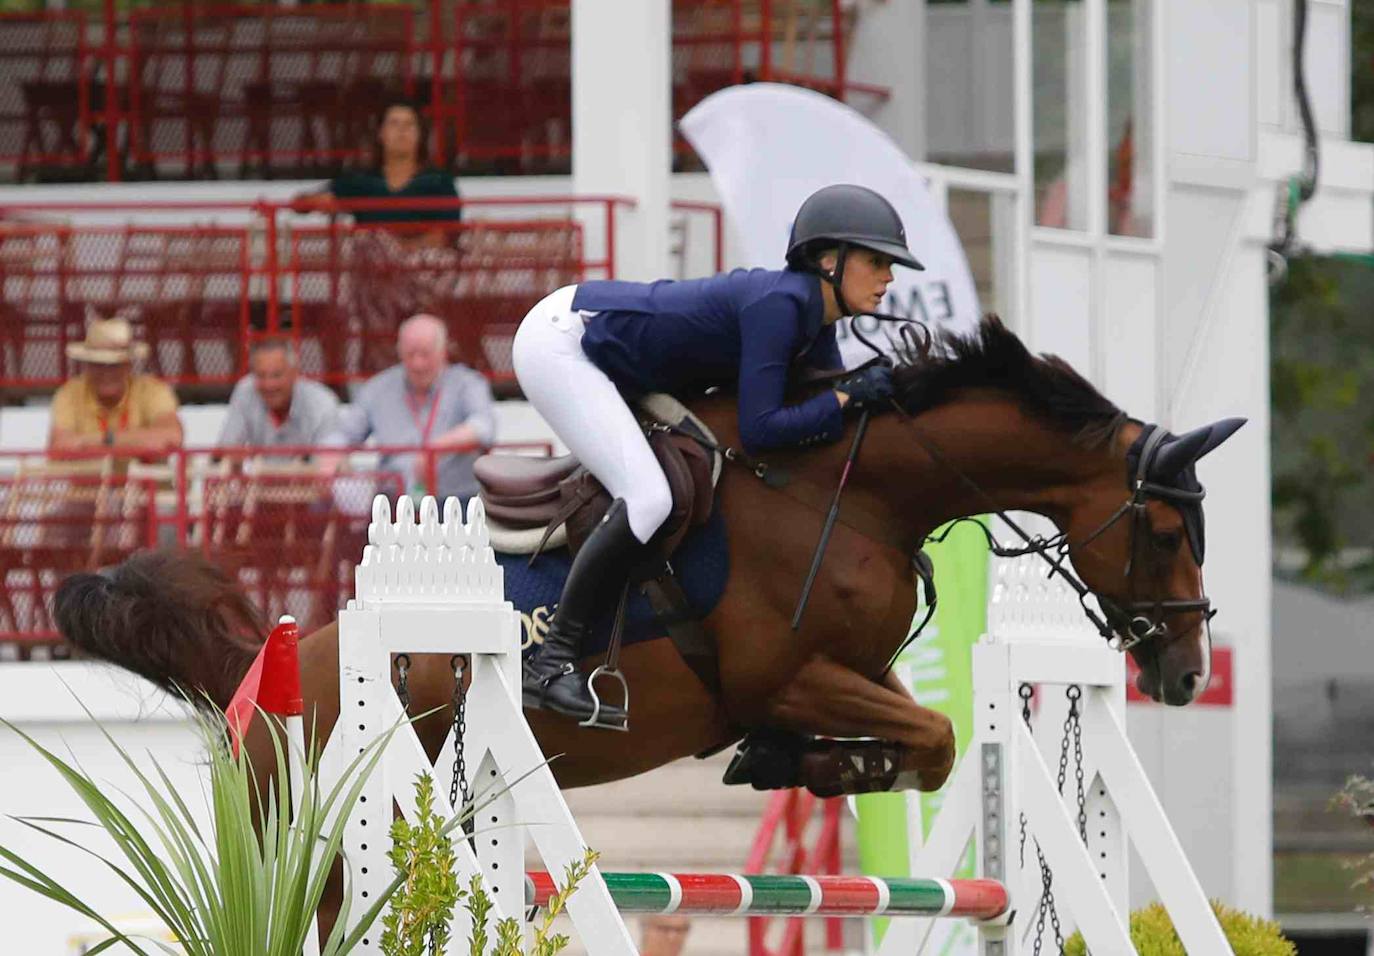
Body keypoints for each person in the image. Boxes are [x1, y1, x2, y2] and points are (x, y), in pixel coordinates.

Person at [512, 183, 923, 729]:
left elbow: (826, 414)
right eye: (877, 262)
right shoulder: (781, 306)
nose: (889, 277)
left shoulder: (814, 322)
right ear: (830, 261)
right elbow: (762, 429)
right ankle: (550, 661)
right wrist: (847, 397)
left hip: (608, 353)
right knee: (649, 497)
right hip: (563, 343)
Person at [327, 314, 496, 503]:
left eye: (425, 354)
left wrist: (435, 450)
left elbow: (484, 428)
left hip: (455, 500)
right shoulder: (378, 388)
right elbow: (344, 434)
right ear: (399, 352)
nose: (417, 364)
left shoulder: (468, 383)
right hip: (394, 500)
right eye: (410, 354)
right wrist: (330, 458)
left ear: (443, 352)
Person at [294, 98, 461, 247]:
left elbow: (449, 234)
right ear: (381, 133)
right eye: (394, 124)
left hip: (421, 270)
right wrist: (316, 201)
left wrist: (401, 249)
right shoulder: (361, 180)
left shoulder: (439, 181)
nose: (402, 130)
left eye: (409, 124)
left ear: (420, 134)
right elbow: (299, 205)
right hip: (373, 272)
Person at [48, 313, 183, 458]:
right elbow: (60, 445)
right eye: (98, 364)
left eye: (114, 365)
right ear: (86, 366)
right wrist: (135, 441)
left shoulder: (152, 390)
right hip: (92, 479)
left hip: (144, 479)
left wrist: (103, 439)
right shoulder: (70, 393)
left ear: (129, 365)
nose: (106, 373)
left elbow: (170, 437)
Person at [217, 339, 340, 458]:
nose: (269, 385)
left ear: (295, 374)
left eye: (277, 375)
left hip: (310, 478)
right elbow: (225, 451)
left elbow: (330, 464)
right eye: (261, 375)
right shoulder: (246, 390)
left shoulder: (323, 403)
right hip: (258, 478)